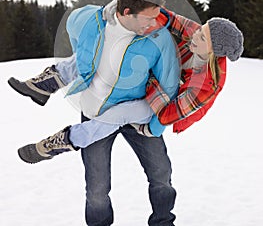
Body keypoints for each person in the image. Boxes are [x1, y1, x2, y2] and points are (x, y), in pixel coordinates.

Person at [9, 0, 180, 226]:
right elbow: (74, 30)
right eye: (148, 17)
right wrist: (87, 62)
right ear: (127, 11)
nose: (155, 22)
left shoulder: (159, 38)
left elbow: (169, 86)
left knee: (161, 175)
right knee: (97, 189)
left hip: (137, 116)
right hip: (95, 110)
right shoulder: (89, 20)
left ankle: (163, 222)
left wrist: (155, 125)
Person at [14, 10, 244, 162]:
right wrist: (138, 12)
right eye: (201, 29)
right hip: (162, 70)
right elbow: (169, 18)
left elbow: (167, 115)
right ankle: (48, 82)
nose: (196, 34)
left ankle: (62, 142)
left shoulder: (207, 84)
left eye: (202, 38)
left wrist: (150, 79)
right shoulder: (199, 34)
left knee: (120, 114)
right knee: (112, 44)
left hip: (165, 107)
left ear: (214, 52)